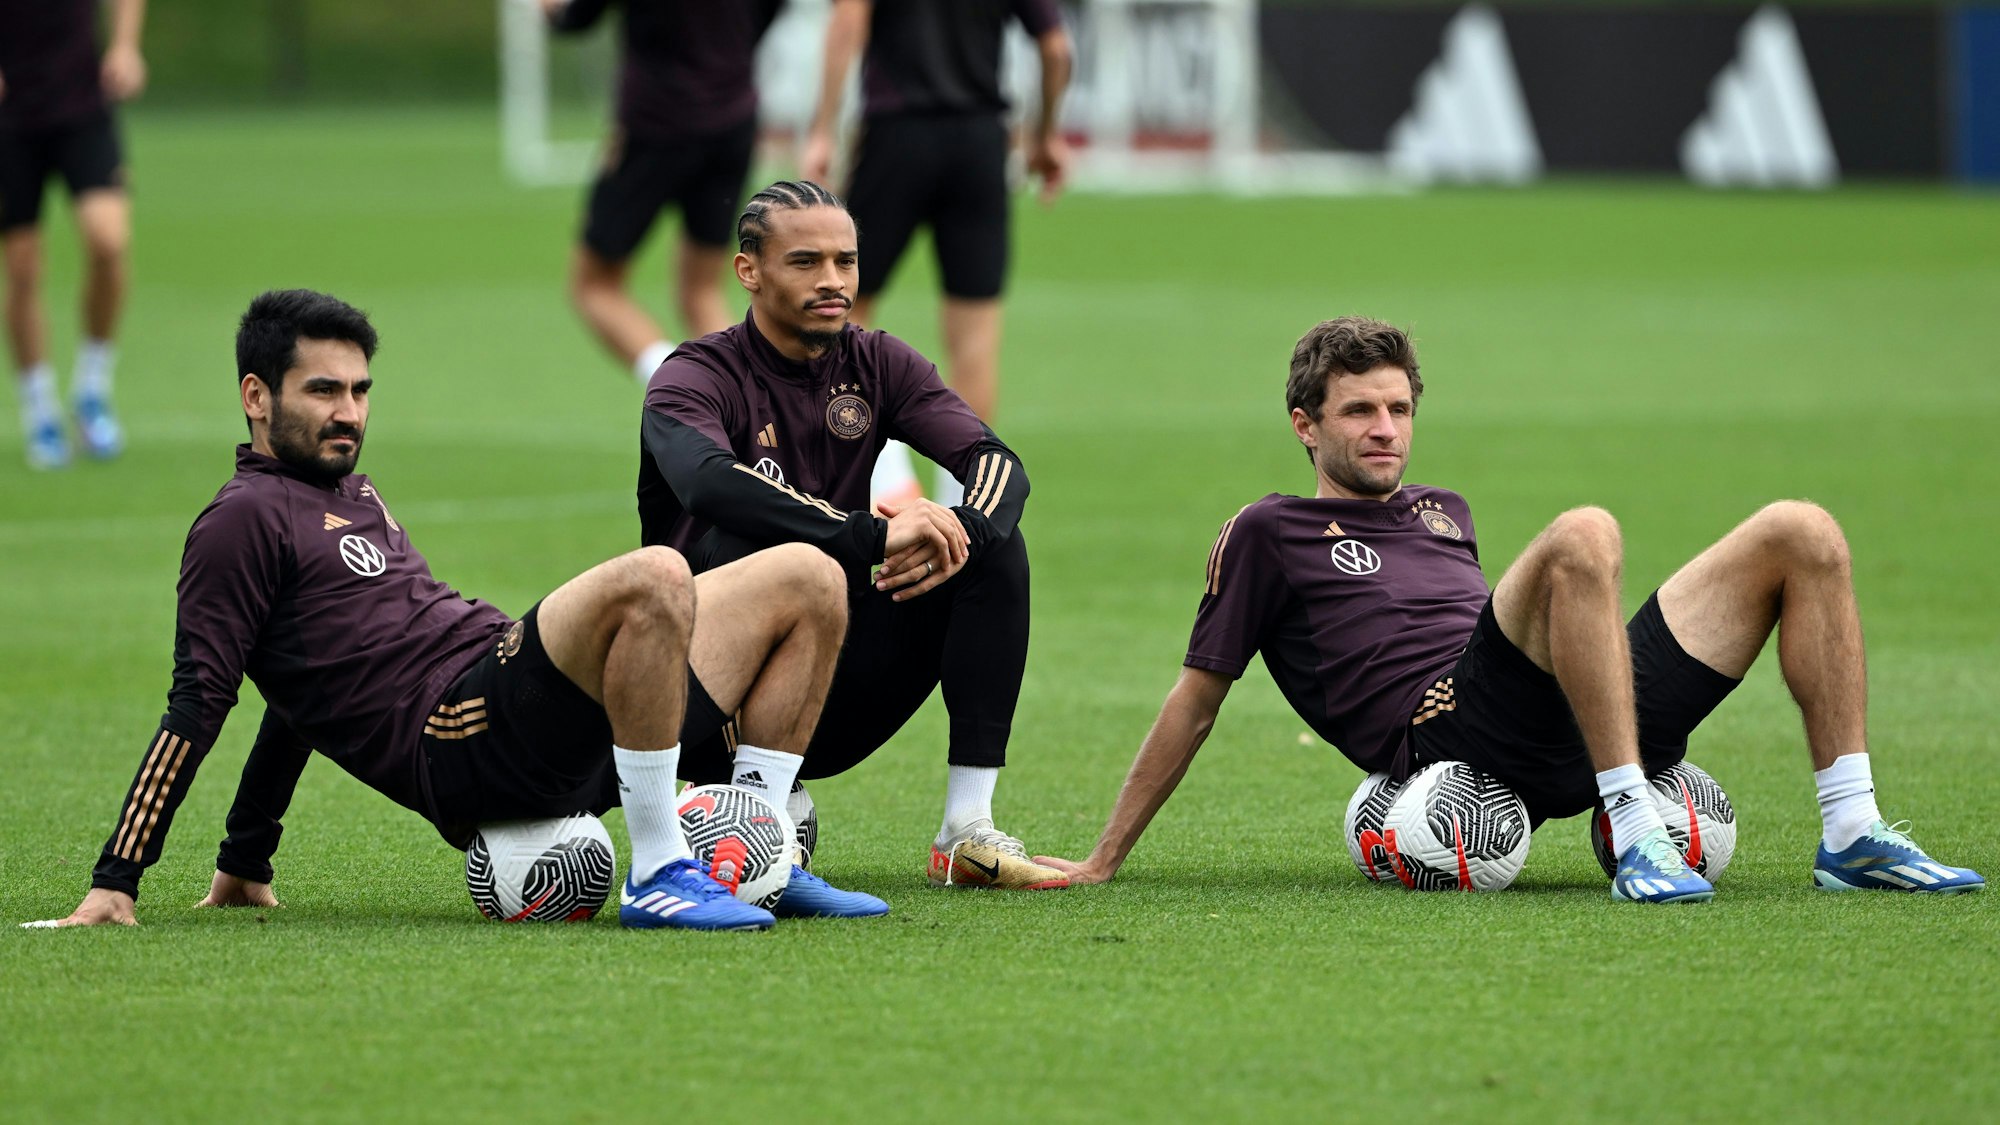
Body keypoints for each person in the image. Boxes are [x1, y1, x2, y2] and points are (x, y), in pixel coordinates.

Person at [1037, 316, 1983, 902]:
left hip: (1562, 710)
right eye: (1360, 411)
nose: (1385, 429)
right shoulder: (1267, 532)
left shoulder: (1446, 508)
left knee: (1803, 529)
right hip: (1450, 731)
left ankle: (1853, 832)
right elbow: (1197, 698)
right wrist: (1104, 856)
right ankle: (1640, 830)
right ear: (1305, 424)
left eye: (1400, 409)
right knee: (1584, 533)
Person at [29, 288, 885, 932]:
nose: (349, 413)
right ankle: (659, 870)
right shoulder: (240, 520)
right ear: (257, 396)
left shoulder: (347, 492)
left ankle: (759, 849)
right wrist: (117, 876)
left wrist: (244, 859)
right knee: (655, 574)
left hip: (522, 707)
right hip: (462, 734)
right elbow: (201, 697)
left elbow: (300, 695)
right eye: (323, 391)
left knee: (811, 574)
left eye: (360, 391)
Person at [638, 180, 1067, 890]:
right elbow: (711, 484)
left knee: (990, 552)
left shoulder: (878, 362)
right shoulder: (694, 375)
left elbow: (995, 462)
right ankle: (748, 805)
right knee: (774, 558)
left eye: (847, 261)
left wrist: (957, 528)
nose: (833, 280)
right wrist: (871, 534)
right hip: (702, 701)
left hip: (833, 681)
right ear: (749, 271)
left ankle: (966, 829)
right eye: (806, 262)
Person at [801, 0, 1071, 506]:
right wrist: (1044, 137)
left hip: (895, 136)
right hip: (980, 145)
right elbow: (1056, 50)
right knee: (976, 342)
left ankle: (888, 482)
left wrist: (822, 130)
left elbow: (848, 24)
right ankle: (962, 516)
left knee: (839, 316)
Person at [542, 0, 783, 384]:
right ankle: (751, 405)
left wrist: (549, 10)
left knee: (595, 285)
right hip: (733, 119)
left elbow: (576, 17)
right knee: (703, 290)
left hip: (658, 122)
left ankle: (684, 388)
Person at [1, 0, 146, 469]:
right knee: (22, 269)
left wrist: (125, 47)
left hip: (82, 103)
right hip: (10, 117)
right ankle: (40, 410)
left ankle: (91, 391)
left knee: (109, 240)